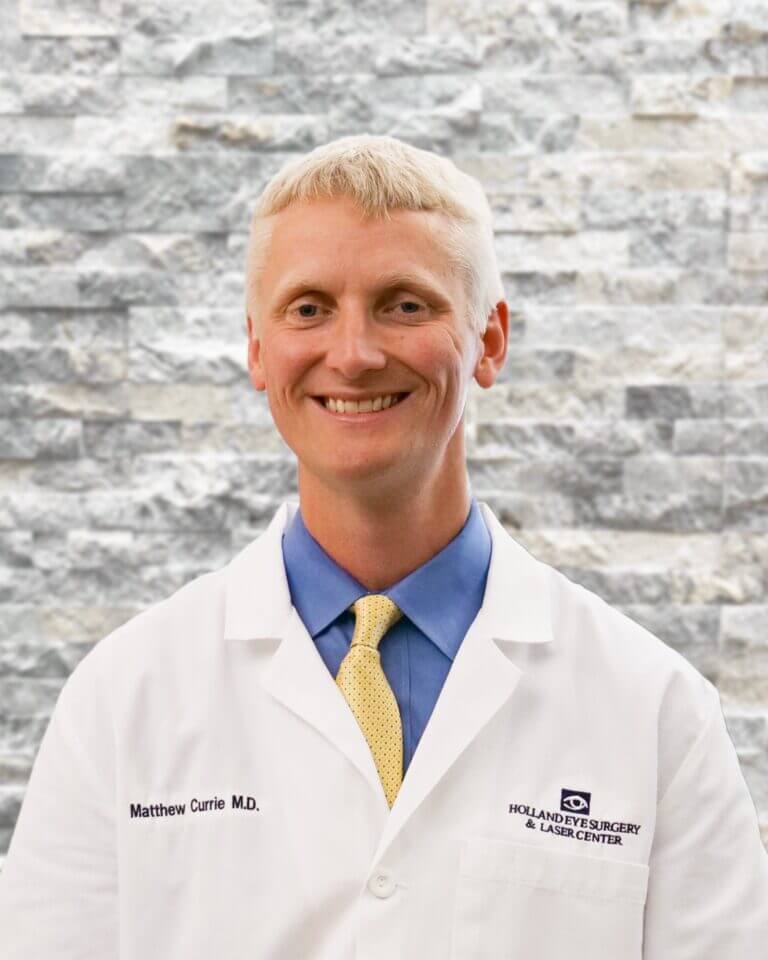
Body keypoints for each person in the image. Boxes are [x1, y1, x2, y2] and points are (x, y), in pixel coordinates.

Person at [0, 133, 766, 959]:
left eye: (405, 305)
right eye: (308, 308)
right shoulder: (123, 699)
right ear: (257, 348)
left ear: (490, 341)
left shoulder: (655, 712)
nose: (355, 355)